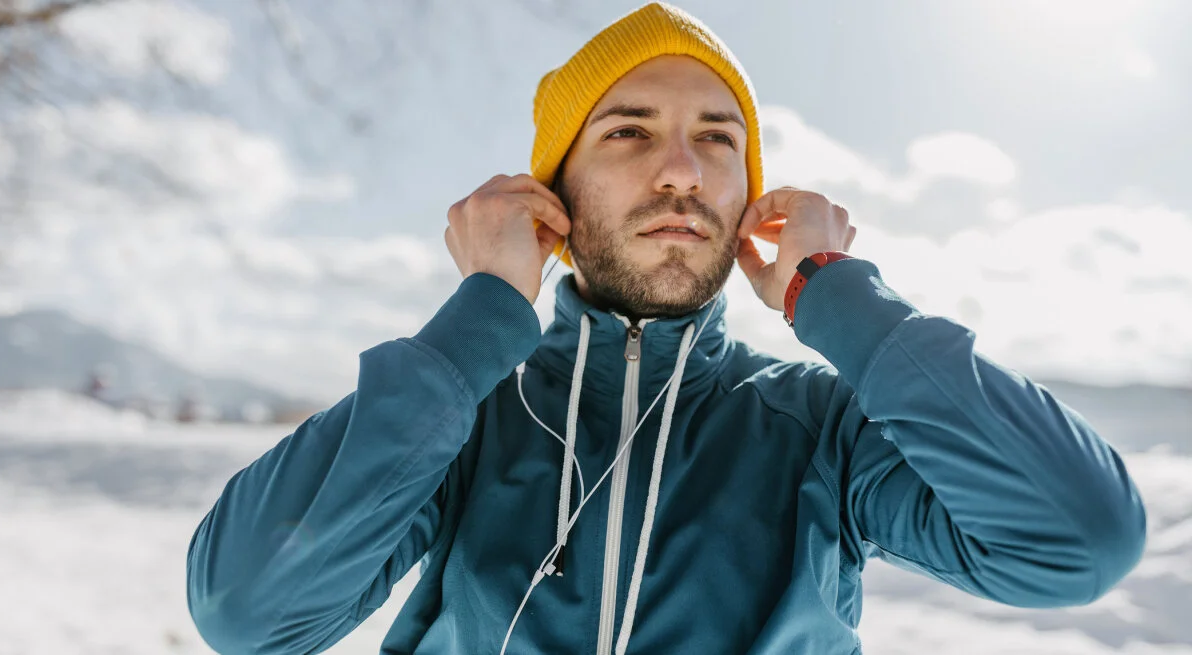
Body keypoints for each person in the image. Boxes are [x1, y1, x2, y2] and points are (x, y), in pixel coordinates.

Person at [185, 3, 1147, 654]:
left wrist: (836, 293)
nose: (681, 169)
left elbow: (1079, 539)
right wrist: (483, 314)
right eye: (630, 132)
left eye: (717, 139)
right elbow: (248, 607)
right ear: (553, 192)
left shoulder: (824, 430)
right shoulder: (464, 416)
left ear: (747, 193)